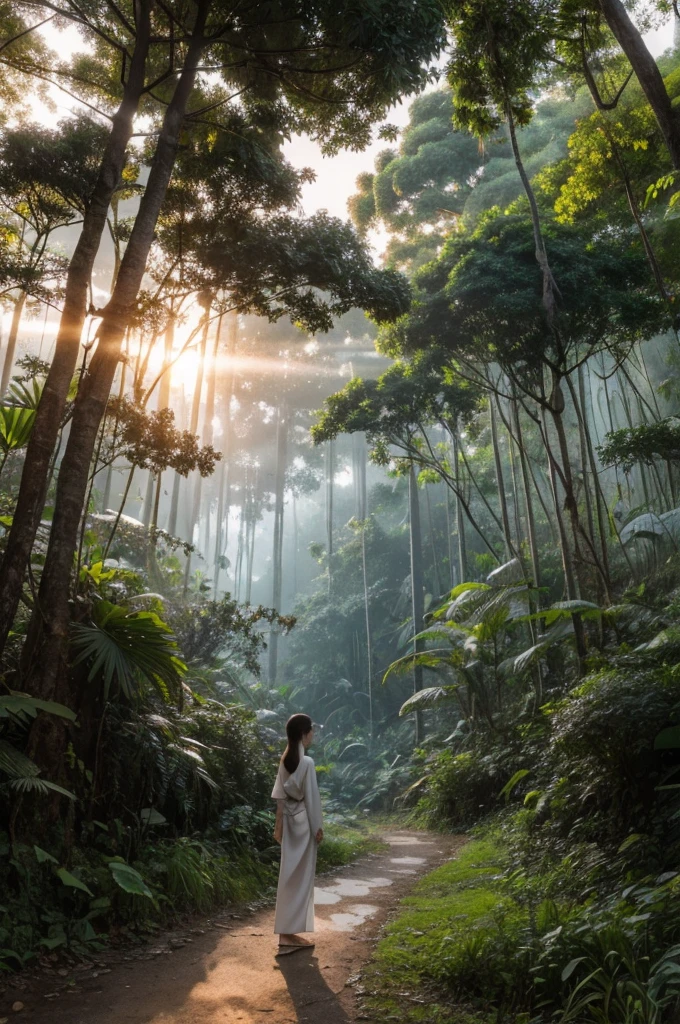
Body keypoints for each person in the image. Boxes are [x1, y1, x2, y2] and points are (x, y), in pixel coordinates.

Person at [272, 713, 324, 955]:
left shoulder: (285, 759)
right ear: (304, 734)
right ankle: (287, 934)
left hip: (290, 823)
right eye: (311, 730)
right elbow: (312, 799)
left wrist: (278, 826)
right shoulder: (307, 763)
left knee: (287, 876)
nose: (312, 734)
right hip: (303, 824)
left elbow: (279, 798)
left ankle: (286, 932)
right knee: (301, 879)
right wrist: (317, 828)